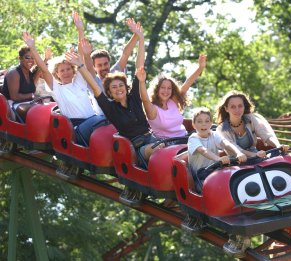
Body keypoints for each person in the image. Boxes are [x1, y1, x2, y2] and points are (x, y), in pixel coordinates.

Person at [65, 23, 162, 205]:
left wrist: (140, 39)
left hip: (154, 138)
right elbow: (94, 86)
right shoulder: (110, 108)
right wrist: (80, 65)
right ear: (109, 92)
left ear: (126, 87)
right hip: (137, 147)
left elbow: (139, 67)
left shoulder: (134, 97)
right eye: (114, 87)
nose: (118, 89)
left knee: (172, 149)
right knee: (157, 151)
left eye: (121, 86)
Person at [22, 32, 107, 146]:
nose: (66, 72)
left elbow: (80, 59)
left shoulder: (79, 82)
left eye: (68, 69)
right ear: (57, 74)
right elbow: (44, 69)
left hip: (94, 122)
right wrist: (32, 47)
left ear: (73, 70)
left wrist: (80, 29)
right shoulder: (57, 89)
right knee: (104, 119)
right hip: (78, 129)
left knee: (110, 119)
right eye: (62, 70)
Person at [142, 54, 207, 139]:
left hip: (184, 138)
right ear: (157, 89)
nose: (166, 91)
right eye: (162, 88)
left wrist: (200, 68)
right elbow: (144, 99)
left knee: (211, 131)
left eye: (169, 88)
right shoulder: (152, 109)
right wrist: (141, 81)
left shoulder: (173, 102)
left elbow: (187, 83)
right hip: (167, 144)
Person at [72, 12, 139, 88]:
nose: (103, 68)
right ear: (94, 67)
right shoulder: (93, 79)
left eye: (105, 64)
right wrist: (80, 30)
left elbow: (125, 54)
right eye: (99, 65)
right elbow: (83, 57)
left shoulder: (115, 73)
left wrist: (136, 34)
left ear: (109, 63)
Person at [216, 90, 289, 158]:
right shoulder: (221, 129)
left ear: (244, 106)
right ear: (226, 109)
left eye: (240, 106)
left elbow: (266, 135)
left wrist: (278, 145)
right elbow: (234, 148)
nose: (237, 110)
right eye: (233, 107)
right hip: (236, 161)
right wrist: (254, 155)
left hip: (256, 155)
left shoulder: (251, 118)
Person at [188, 107, 247, 191]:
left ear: (211, 123)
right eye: (199, 121)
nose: (203, 124)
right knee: (213, 189)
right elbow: (203, 150)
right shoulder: (193, 138)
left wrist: (238, 153)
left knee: (235, 179)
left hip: (214, 172)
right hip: (199, 176)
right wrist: (218, 159)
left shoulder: (214, 134)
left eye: (207, 121)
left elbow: (226, 143)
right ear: (193, 125)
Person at [1, 45, 36, 121]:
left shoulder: (30, 73)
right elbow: (14, 97)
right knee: (35, 111)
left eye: (33, 58)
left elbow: (42, 69)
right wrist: (32, 95)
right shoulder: (14, 73)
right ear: (20, 58)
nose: (31, 60)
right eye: (27, 57)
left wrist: (46, 59)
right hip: (11, 105)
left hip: (28, 102)